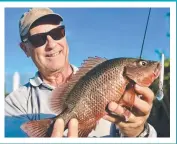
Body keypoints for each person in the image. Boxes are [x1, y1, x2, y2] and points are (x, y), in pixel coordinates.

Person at [5, 7, 157, 138]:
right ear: (25, 49)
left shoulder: (111, 82)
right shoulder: (13, 106)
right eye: (38, 39)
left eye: (57, 33)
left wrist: (137, 131)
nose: (51, 44)